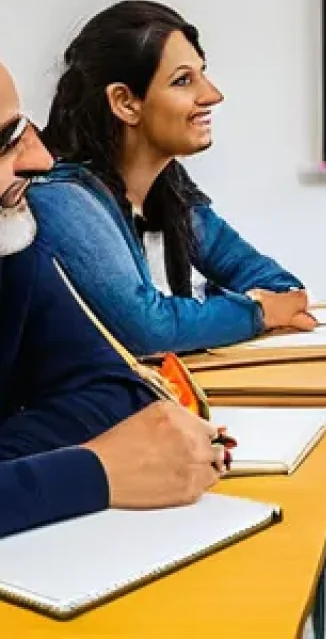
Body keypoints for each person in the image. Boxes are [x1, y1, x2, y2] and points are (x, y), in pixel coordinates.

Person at [0, 60, 226, 539]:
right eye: (5, 142)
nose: (39, 161)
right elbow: (150, 328)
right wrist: (91, 471)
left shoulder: (12, 243)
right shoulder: (66, 199)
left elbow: (120, 392)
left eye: (23, 130)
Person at [26, 0, 314, 357]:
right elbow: (148, 330)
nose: (212, 95)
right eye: (183, 81)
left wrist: (201, 316)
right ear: (125, 102)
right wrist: (254, 312)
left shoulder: (167, 187)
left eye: (202, 73)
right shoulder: (62, 197)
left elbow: (280, 287)